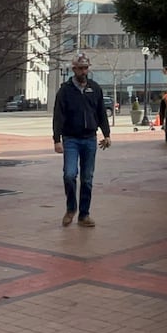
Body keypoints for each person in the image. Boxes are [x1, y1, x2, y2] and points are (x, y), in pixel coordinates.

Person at [53, 54, 110, 228]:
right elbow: (58, 116)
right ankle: (71, 209)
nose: (83, 71)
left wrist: (106, 134)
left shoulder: (95, 88)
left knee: (87, 179)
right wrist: (57, 139)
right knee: (69, 175)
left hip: (89, 140)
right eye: (80, 68)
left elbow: (101, 114)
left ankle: (84, 214)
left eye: (86, 68)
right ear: (74, 69)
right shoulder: (65, 90)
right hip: (70, 139)